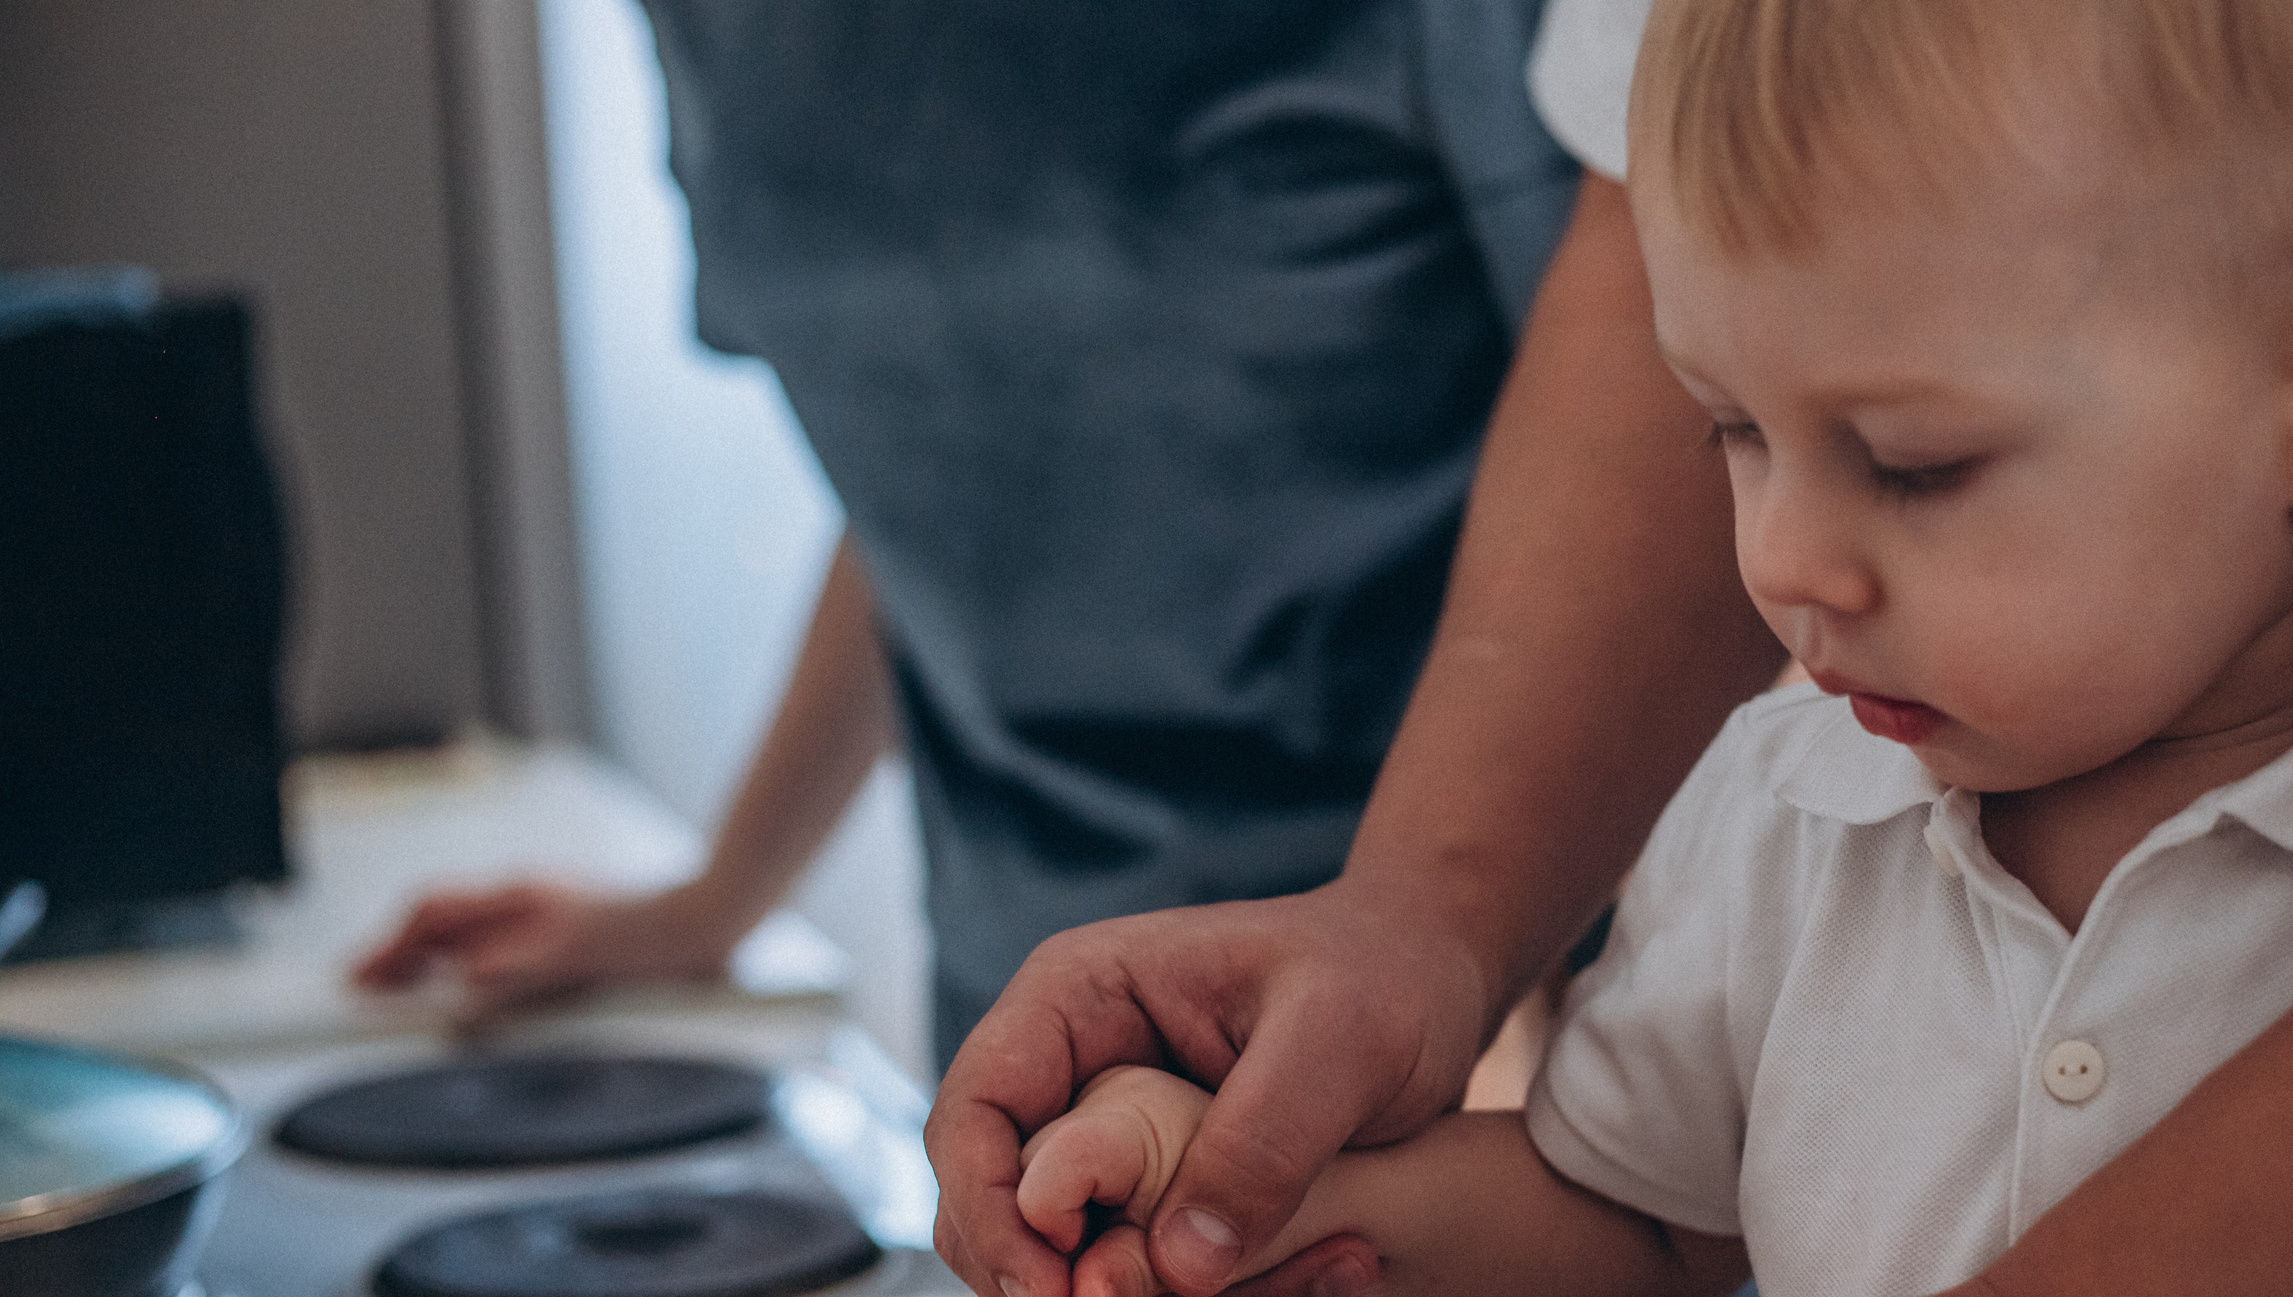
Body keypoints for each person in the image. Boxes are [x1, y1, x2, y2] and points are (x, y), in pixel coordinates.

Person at [925, 0, 2293, 1297]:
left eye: (1915, 464)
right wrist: (1265, 1197)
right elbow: (1626, 1205)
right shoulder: (1794, 795)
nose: (1784, 562)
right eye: (1733, 426)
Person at [354, 2, 1594, 1077]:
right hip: (1023, 1023)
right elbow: (952, 471)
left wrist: (1491, 1005)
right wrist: (718, 899)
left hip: (1486, 1049)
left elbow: (1687, 469)